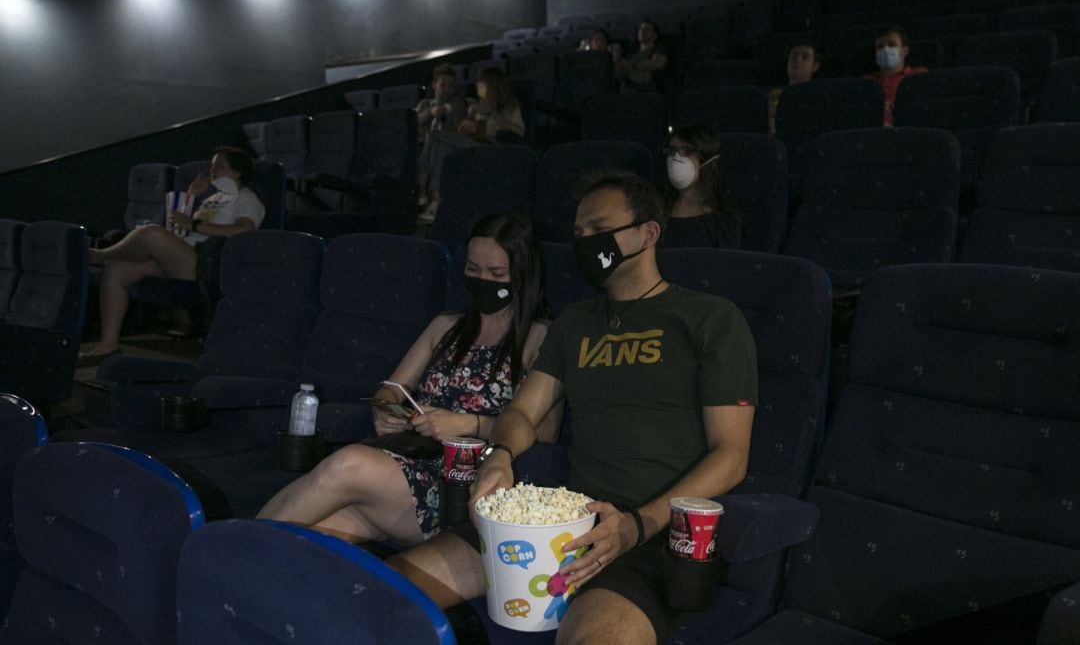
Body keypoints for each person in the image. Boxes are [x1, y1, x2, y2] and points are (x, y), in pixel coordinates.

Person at [388, 171, 758, 644]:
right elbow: (523, 413)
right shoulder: (577, 322)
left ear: (648, 233)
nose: (586, 242)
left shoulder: (709, 318)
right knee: (389, 590)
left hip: (650, 531)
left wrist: (637, 525)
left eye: (600, 229)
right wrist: (500, 456)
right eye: (579, 233)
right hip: (561, 516)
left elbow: (732, 455)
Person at [258, 211, 561, 546]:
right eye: (473, 270)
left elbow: (545, 431)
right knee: (305, 536)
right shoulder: (446, 326)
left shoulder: (540, 337)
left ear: (521, 275)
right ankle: (232, 567)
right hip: (404, 461)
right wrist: (386, 410)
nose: (482, 280)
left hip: (461, 482)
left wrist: (463, 424)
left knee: (348, 464)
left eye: (496, 273)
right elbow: (392, 388)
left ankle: (224, 549)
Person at [79, 146, 264, 365]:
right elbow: (183, 229)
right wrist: (191, 196)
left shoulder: (246, 199)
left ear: (236, 173)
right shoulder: (214, 198)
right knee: (117, 268)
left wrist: (194, 224)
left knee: (150, 234)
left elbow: (244, 230)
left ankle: (99, 256)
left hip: (206, 264)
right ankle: (108, 345)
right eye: (211, 166)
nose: (211, 170)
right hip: (183, 255)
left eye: (219, 167)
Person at [417, 67, 525, 222]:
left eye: (481, 86)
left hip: (493, 149)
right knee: (442, 145)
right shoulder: (477, 105)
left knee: (435, 135)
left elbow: (520, 132)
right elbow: (462, 132)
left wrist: (492, 113)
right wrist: (470, 118)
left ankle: (421, 188)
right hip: (473, 144)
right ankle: (435, 203)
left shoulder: (509, 106)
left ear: (491, 86)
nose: (478, 89)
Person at [659, 126, 744, 249]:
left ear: (709, 161)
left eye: (687, 151)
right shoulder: (653, 211)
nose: (676, 158)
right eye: (671, 151)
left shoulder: (724, 221)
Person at [863, 23, 927, 126]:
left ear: (905, 51)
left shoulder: (919, 75)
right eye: (880, 46)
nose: (885, 50)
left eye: (892, 45)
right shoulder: (866, 82)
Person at [768, 41, 821, 135]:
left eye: (805, 57)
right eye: (794, 56)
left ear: (815, 66)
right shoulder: (774, 94)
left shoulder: (819, 96)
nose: (798, 60)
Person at [415, 64, 469, 143]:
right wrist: (430, 113)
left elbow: (460, 130)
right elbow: (414, 122)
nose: (447, 89)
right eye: (443, 85)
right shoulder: (425, 104)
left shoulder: (460, 104)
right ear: (434, 85)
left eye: (451, 86)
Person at [614, 18, 669, 92]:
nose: (642, 31)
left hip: (647, 91)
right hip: (627, 91)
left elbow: (657, 63)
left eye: (647, 29)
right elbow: (618, 75)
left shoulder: (659, 49)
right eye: (640, 29)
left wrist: (632, 66)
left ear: (655, 36)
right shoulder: (631, 54)